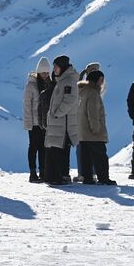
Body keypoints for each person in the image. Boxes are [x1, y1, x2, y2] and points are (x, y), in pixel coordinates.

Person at [44, 55, 79, 186]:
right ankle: (57, 176)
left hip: (62, 122)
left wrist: (57, 113)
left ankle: (59, 176)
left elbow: (70, 100)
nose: (54, 69)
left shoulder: (68, 81)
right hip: (57, 122)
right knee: (57, 149)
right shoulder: (62, 80)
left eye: (56, 67)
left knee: (59, 150)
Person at [77, 70, 116, 185]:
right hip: (93, 133)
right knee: (101, 157)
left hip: (83, 131)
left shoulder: (83, 91)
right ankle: (104, 178)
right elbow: (92, 113)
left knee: (86, 157)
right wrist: (96, 129)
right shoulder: (93, 93)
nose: (102, 82)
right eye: (101, 79)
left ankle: (87, 178)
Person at [22, 57, 52, 183]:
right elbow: (26, 105)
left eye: (47, 72)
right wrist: (28, 123)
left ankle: (43, 171)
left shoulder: (49, 85)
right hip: (34, 122)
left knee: (43, 148)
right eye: (43, 72)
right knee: (34, 147)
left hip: (45, 122)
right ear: (38, 72)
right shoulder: (31, 84)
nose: (45, 75)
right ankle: (33, 172)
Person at [74, 62, 101, 183]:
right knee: (83, 147)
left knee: (89, 147)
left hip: (87, 119)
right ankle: (84, 173)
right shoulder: (87, 86)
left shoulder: (93, 87)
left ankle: (90, 173)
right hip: (83, 119)